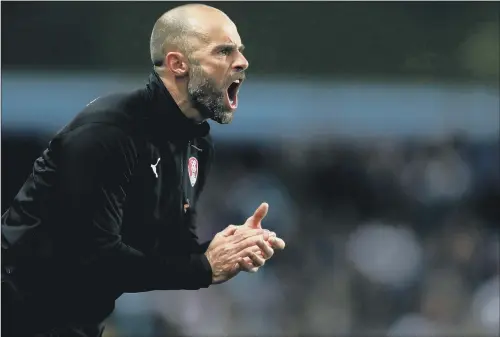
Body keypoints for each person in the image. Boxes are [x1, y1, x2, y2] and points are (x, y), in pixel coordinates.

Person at [1, 4, 286, 337]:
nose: (241, 61)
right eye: (224, 51)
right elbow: (95, 258)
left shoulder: (195, 146)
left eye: (239, 50)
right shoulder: (109, 132)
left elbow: (165, 250)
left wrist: (221, 248)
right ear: (178, 64)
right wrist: (204, 267)